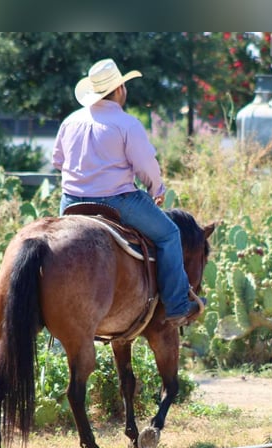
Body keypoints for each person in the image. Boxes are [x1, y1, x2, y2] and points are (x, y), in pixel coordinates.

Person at [52, 58, 201, 327]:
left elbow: (58, 161)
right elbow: (145, 166)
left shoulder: (71, 120)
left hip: (71, 203)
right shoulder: (127, 124)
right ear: (120, 89)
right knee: (169, 235)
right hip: (117, 201)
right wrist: (157, 190)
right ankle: (178, 306)